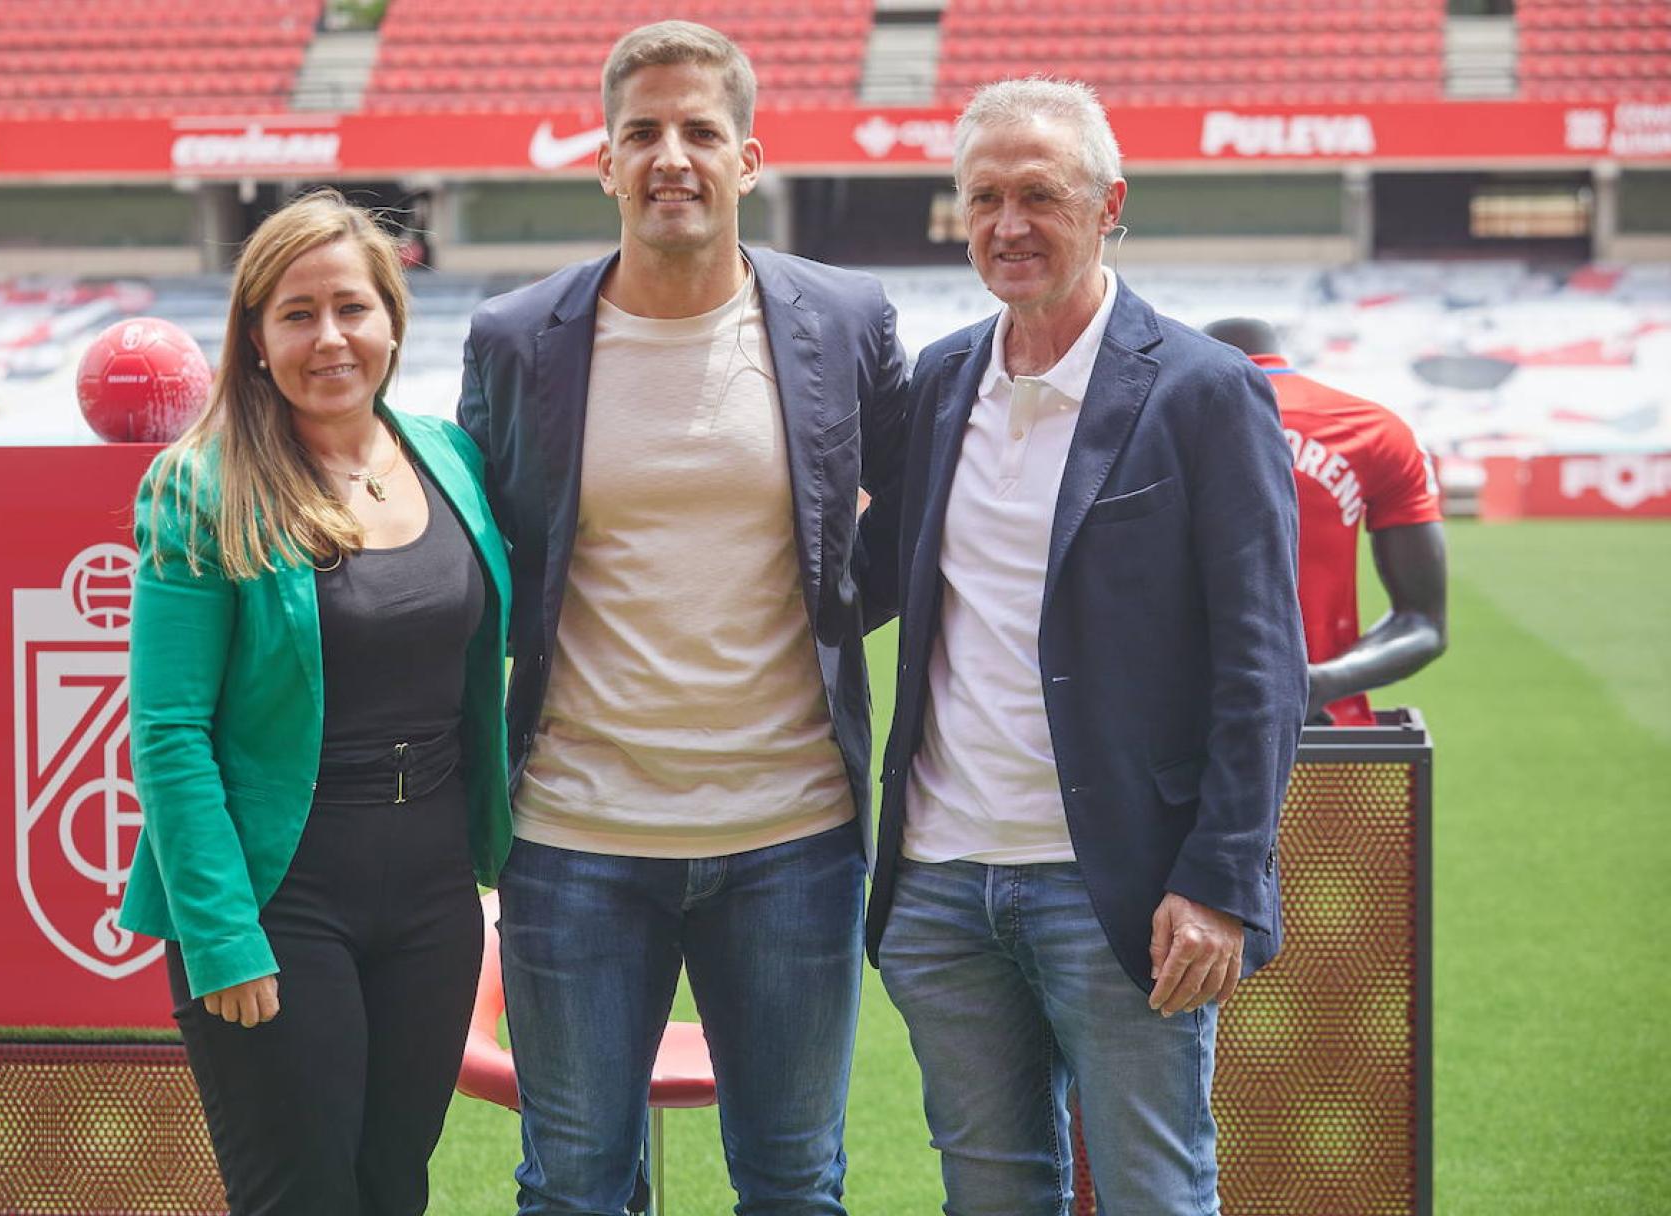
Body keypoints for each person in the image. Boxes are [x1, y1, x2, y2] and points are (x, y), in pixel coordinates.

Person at [456, 21, 908, 1216]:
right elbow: (489, 557)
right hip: (575, 838)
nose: (672, 156)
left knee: (795, 1182)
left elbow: (908, 526)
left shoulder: (847, 318)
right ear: (602, 162)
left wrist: (830, 616)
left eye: (700, 131)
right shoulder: (516, 338)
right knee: (573, 1185)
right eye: (641, 132)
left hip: (794, 835)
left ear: (747, 158)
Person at [859, 79, 1306, 1216]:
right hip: (943, 882)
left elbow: (1264, 665)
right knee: (992, 1196)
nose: (1009, 224)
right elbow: (858, 586)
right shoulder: (943, 378)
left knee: (1156, 1193)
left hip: (1124, 888)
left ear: (1109, 205)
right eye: (984, 198)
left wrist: (1218, 882)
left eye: (1040, 196)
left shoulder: (1205, 391)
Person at [117, 188, 512, 1216]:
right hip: (279, 894)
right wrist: (222, 937)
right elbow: (166, 732)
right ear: (253, 338)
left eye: (351, 307)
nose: (329, 337)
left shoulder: (452, 458)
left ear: (392, 318)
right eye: (296, 314)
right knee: (301, 1196)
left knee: (392, 1187)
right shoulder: (200, 485)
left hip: (432, 893)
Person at [1203, 316, 1448, 725]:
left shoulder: (1136, 423)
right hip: (1327, 736)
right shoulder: (1375, 429)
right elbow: (1422, 623)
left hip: (1170, 748)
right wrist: (1321, 684)